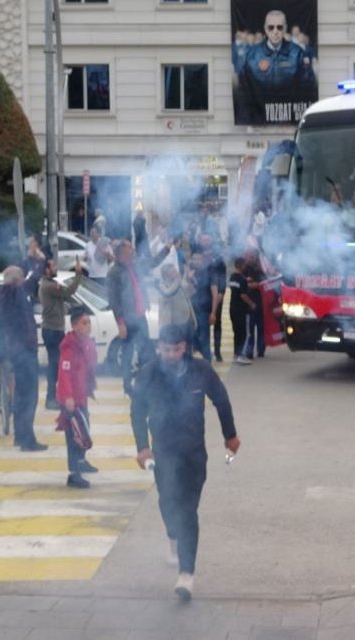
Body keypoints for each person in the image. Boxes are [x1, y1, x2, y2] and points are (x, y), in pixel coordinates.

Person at [131, 324, 240, 601]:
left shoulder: (200, 370)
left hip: (193, 454)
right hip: (163, 453)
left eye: (176, 349)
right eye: (166, 349)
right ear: (159, 348)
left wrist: (230, 435)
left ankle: (186, 575)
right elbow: (137, 411)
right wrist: (143, 447)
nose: (171, 354)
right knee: (168, 503)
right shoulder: (148, 374)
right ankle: (172, 536)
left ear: (185, 348)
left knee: (188, 512)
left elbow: (221, 399)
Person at [0, 266, 47, 452]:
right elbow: (29, 283)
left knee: (22, 396)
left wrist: (37, 265)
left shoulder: (9, 294)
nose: (23, 281)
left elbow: (29, 283)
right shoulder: (11, 293)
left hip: (19, 351)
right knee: (29, 397)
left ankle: (21, 436)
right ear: (15, 281)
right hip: (22, 351)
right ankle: (27, 439)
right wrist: (39, 263)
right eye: (21, 278)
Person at [56, 306, 100, 489]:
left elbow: (90, 365)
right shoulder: (69, 347)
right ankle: (73, 473)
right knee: (73, 436)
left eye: (89, 322)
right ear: (74, 326)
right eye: (84, 323)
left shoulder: (86, 342)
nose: (88, 326)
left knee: (84, 430)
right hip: (71, 400)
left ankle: (81, 461)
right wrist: (67, 397)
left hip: (81, 397)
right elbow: (64, 373)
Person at [107, 241, 155, 394]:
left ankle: (144, 383)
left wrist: (167, 248)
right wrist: (120, 322)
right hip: (128, 319)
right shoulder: (114, 272)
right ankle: (127, 386)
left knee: (145, 351)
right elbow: (114, 300)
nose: (132, 249)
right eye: (129, 247)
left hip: (140, 316)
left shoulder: (133, 266)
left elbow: (152, 264)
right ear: (122, 252)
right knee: (127, 353)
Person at [39, 257, 85, 410]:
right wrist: (78, 274)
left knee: (57, 365)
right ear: (46, 270)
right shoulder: (49, 285)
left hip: (54, 329)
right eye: (53, 266)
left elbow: (60, 303)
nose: (56, 268)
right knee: (54, 366)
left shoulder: (49, 285)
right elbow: (69, 291)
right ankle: (50, 399)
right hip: (52, 331)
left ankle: (56, 397)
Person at [157, 263, 196, 348]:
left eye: (175, 270)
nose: (176, 272)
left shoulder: (179, 282)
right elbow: (168, 293)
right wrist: (177, 281)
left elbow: (191, 291)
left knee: (188, 346)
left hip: (187, 320)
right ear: (167, 274)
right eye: (173, 271)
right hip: (174, 322)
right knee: (177, 346)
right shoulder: (162, 285)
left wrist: (189, 279)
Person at [228, 257, 258, 365]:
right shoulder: (242, 280)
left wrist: (246, 281)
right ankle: (241, 355)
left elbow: (238, 287)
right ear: (240, 266)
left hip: (232, 309)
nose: (246, 266)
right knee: (245, 334)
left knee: (237, 333)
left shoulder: (232, 277)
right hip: (241, 310)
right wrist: (252, 304)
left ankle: (236, 355)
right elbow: (243, 295)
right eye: (244, 265)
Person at [84, 219, 114, 285]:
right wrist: (85, 258)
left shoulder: (104, 243)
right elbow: (85, 258)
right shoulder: (88, 245)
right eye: (90, 233)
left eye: (93, 233)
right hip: (91, 275)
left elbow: (112, 259)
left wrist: (107, 254)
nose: (91, 235)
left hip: (102, 276)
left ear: (98, 234)